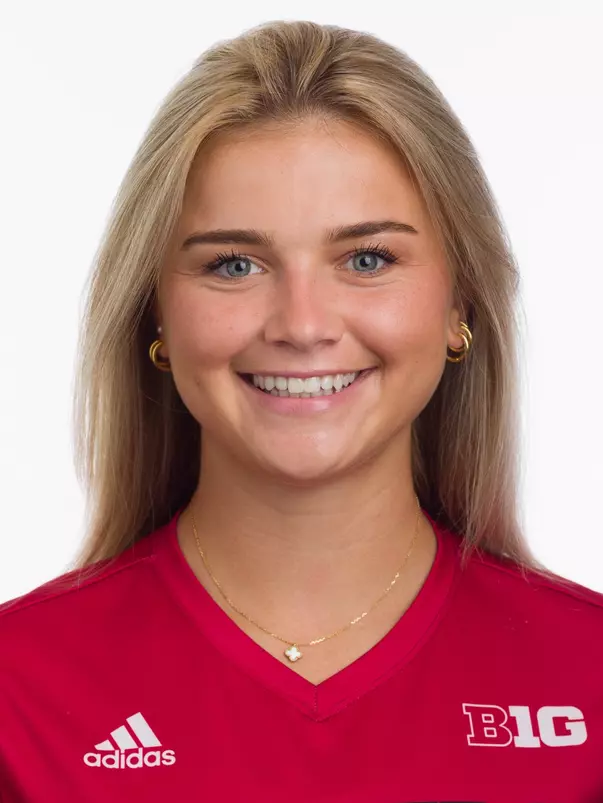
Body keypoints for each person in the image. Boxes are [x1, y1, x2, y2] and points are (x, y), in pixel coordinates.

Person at [0, 18, 601, 803]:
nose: (302, 323)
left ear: (460, 304)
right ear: (156, 314)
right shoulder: (19, 690)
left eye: (366, 258)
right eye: (234, 264)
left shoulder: (586, 675)